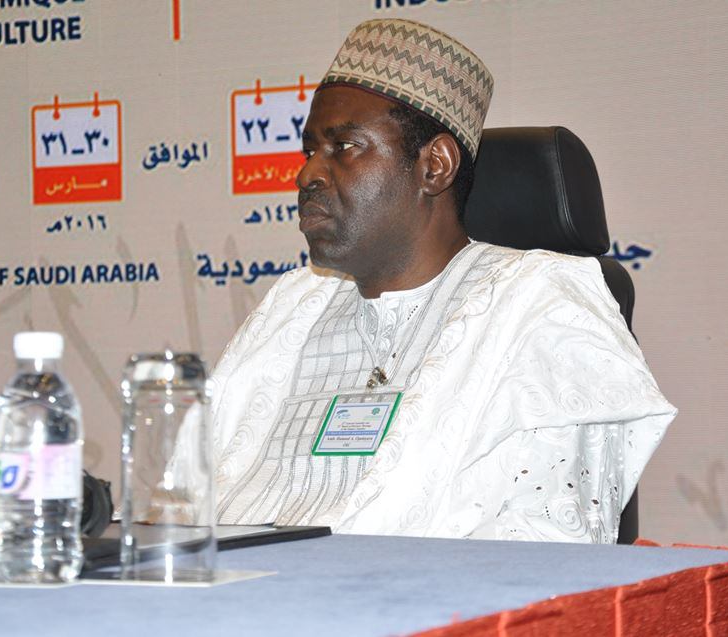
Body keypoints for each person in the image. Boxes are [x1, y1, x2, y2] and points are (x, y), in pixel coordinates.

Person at [188, 19, 676, 543]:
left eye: (344, 146)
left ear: (435, 166)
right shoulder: (293, 305)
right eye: (310, 151)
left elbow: (542, 546)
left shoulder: (540, 306)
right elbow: (186, 502)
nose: (307, 175)